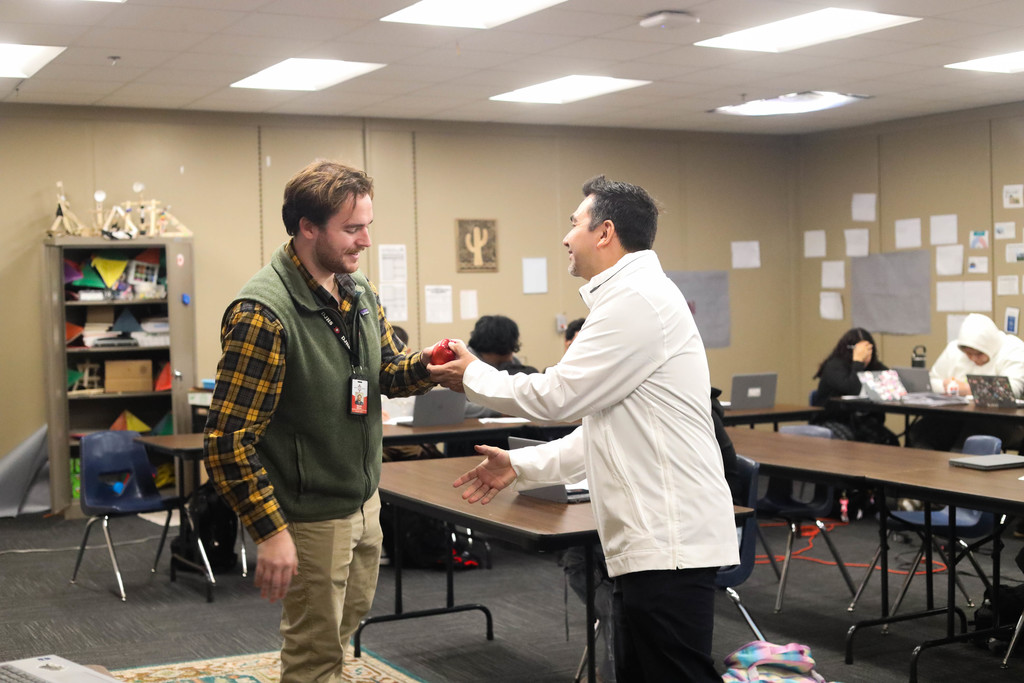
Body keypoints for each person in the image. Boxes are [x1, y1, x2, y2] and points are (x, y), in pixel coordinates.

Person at [429, 175, 739, 682]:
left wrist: (472, 375)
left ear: (605, 232)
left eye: (574, 223)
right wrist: (523, 465)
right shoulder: (630, 298)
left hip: (670, 540)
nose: (566, 236)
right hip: (653, 540)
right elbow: (602, 429)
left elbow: (558, 397)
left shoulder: (635, 301)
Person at [203, 159, 437, 683]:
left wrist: (432, 367)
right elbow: (228, 442)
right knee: (315, 656)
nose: (366, 241)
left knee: (338, 633)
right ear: (308, 227)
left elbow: (387, 375)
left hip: (362, 501)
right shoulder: (262, 313)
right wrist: (271, 532)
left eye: (367, 226)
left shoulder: (356, 291)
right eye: (352, 229)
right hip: (308, 517)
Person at [909, 312, 1024, 451]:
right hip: (958, 416)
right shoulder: (954, 350)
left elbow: (1013, 390)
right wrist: (946, 386)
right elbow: (932, 381)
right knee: (923, 431)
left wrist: (966, 389)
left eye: (979, 354)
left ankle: (957, 468)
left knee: (969, 437)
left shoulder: (1013, 349)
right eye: (969, 354)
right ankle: (922, 470)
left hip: (1004, 422)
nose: (974, 359)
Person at [810, 328, 898, 445]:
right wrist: (858, 362)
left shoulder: (873, 366)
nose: (866, 356)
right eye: (862, 352)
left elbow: (892, 384)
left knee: (889, 440)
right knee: (851, 442)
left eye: (868, 351)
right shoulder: (834, 366)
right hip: (833, 420)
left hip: (862, 421)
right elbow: (853, 389)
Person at [464, 315, 539, 419]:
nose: (512, 354)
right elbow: (458, 408)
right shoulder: (463, 365)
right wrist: (501, 411)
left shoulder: (513, 362)